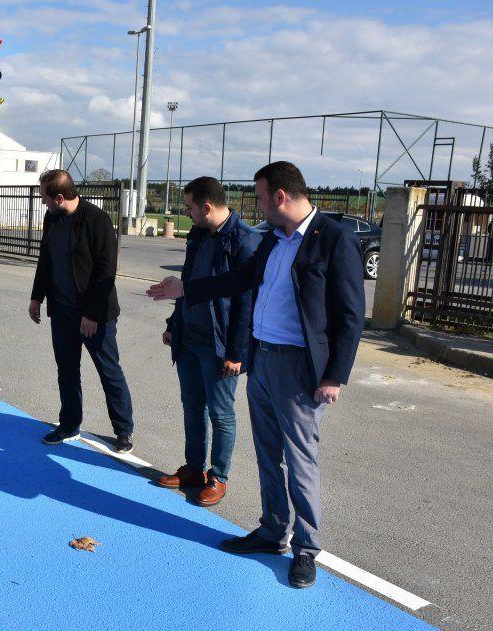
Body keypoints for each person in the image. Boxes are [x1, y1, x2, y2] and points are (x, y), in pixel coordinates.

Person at [147, 161, 365, 588]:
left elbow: (351, 315)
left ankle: (306, 549)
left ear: (280, 196)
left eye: (261, 197)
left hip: (299, 368)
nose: (258, 206)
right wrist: (186, 288)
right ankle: (272, 530)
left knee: (300, 460)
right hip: (261, 360)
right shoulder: (272, 239)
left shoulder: (334, 238)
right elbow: (241, 280)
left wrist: (334, 376)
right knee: (268, 455)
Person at [158, 177, 259, 506]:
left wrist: (235, 352)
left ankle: (218, 477)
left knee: (221, 413)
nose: (187, 212)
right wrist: (174, 324)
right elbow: (186, 285)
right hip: (190, 339)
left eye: (189, 207)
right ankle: (193, 469)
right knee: (192, 408)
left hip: (219, 346)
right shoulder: (198, 235)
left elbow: (245, 303)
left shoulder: (245, 240)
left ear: (206, 207)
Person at [28, 169, 134, 453]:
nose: (43, 202)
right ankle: (69, 425)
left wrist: (92, 315)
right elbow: (45, 261)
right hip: (62, 312)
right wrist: (37, 297)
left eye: (45, 197)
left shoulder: (97, 220)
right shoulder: (52, 218)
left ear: (59, 197)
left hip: (95, 316)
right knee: (67, 371)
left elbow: (106, 271)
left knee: (109, 371)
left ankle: (123, 431)